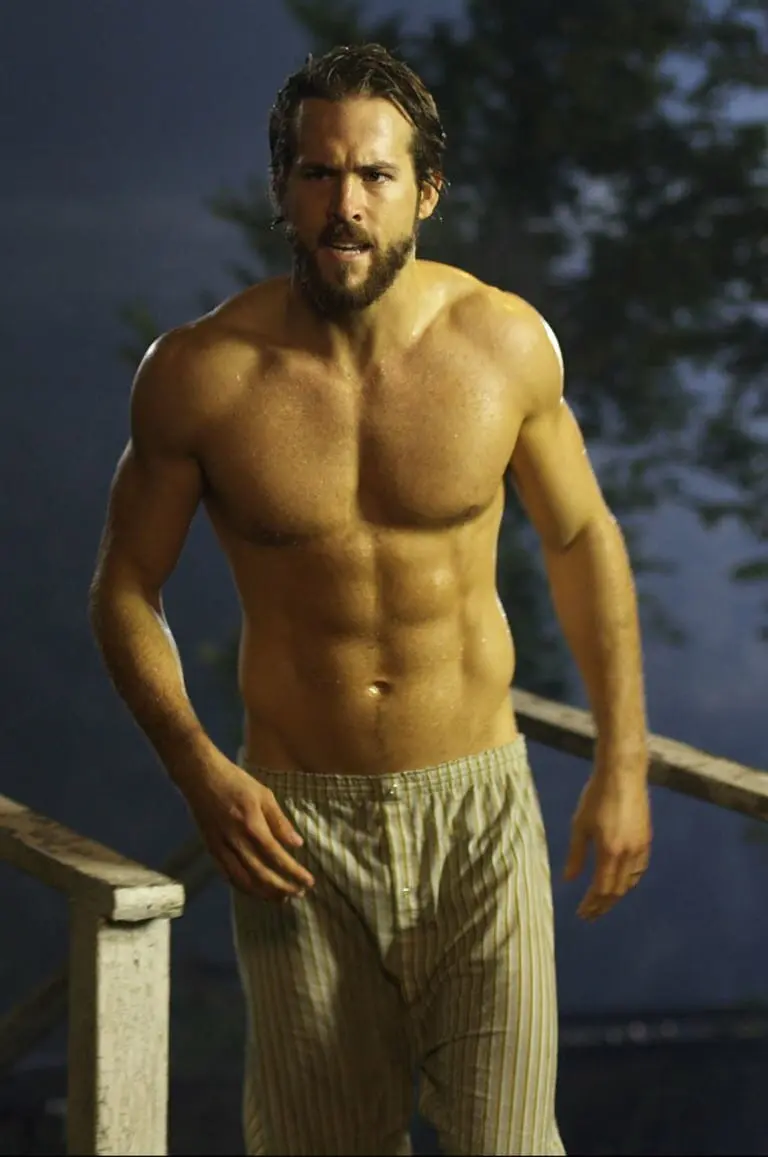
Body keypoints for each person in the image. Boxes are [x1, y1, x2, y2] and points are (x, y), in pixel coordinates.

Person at [89, 42, 652, 1157]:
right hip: (297, 824)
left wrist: (623, 761)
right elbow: (124, 588)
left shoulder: (503, 343)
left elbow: (583, 535)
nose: (345, 204)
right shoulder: (200, 374)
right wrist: (198, 768)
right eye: (319, 173)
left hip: (479, 815)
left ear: (425, 191)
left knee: (508, 1143)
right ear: (283, 188)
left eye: (375, 175)